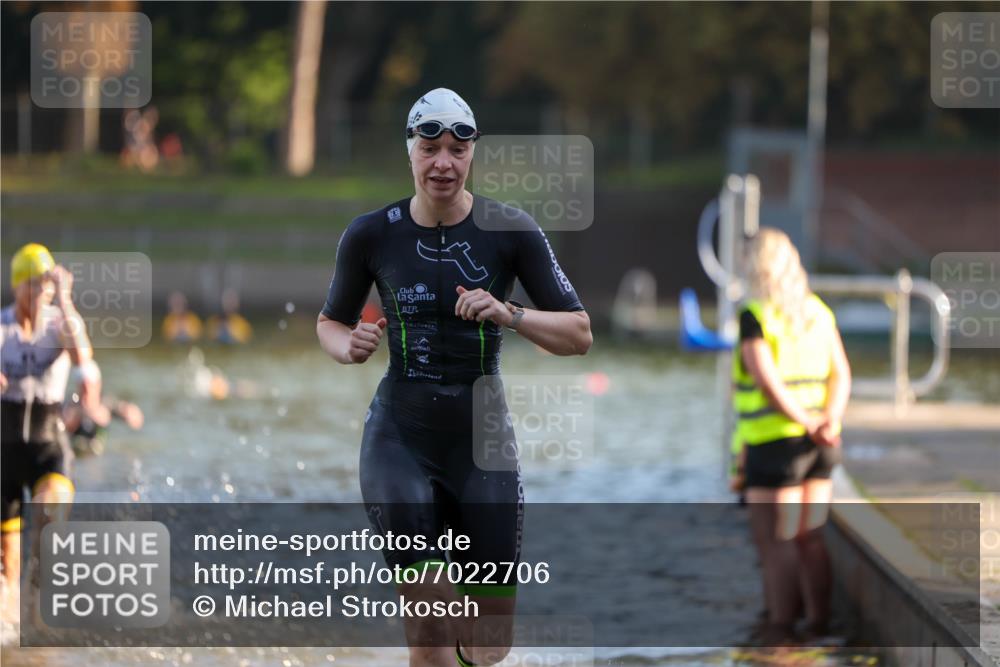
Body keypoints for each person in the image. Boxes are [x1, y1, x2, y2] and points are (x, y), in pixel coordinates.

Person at [317, 88, 592, 667]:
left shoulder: (511, 230)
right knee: (430, 617)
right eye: (430, 147)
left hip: (482, 444)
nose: (442, 162)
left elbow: (579, 334)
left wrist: (510, 313)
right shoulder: (370, 234)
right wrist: (351, 347)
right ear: (409, 150)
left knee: (489, 645)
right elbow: (329, 323)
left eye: (455, 149)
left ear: (472, 155)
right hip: (400, 437)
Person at [732, 228, 851, 644]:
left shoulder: (755, 314)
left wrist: (803, 421)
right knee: (811, 539)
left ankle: (779, 633)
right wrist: (827, 420)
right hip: (820, 446)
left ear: (756, 265)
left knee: (776, 543)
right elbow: (841, 372)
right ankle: (818, 625)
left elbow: (767, 383)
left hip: (775, 446)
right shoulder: (817, 311)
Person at [1, 243, 96, 620]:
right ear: (17, 287)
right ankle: (10, 632)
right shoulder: (3, 326)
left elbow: (82, 355)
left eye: (47, 286)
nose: (41, 294)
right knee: (7, 568)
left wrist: (67, 300)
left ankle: (37, 614)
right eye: (33, 286)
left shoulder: (60, 323)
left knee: (48, 515)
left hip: (48, 447)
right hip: (4, 456)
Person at [62, 359, 144, 457]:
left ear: (98, 384)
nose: (86, 389)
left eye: (89, 385)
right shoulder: (71, 403)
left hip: (97, 454)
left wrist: (127, 412)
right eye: (82, 385)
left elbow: (137, 420)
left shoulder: (106, 404)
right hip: (76, 451)